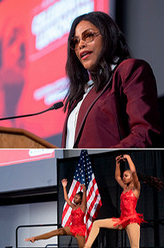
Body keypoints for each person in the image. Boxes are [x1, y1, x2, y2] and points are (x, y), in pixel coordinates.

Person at [62, 11, 162, 148]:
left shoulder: (129, 70)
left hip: (114, 168)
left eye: (88, 35)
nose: (81, 45)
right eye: (76, 41)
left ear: (108, 35)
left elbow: (144, 134)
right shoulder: (80, 96)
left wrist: (104, 163)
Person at [80, 154, 144, 248]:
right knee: (97, 223)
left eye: (127, 175)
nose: (124, 177)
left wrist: (128, 157)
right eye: (125, 175)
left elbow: (133, 171)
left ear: (133, 177)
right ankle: (87, 246)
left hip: (132, 220)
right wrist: (117, 163)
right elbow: (117, 177)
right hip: (122, 220)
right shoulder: (125, 188)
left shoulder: (136, 188)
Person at [26, 179, 90, 248]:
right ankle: (35, 238)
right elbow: (66, 198)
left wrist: (84, 191)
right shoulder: (73, 207)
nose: (74, 198)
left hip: (80, 230)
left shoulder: (83, 207)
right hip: (72, 228)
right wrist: (64, 186)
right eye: (74, 196)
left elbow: (85, 199)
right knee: (57, 231)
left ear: (81, 200)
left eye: (77, 197)